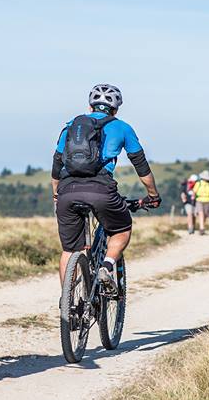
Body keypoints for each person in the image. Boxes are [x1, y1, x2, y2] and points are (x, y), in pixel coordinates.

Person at [52, 84, 161, 294]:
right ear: (115, 110)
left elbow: (56, 166)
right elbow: (141, 167)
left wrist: (57, 195)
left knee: (70, 250)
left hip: (67, 190)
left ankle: (68, 302)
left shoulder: (71, 127)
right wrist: (153, 195)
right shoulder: (122, 128)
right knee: (121, 229)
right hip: (101, 190)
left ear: (90, 106)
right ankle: (107, 265)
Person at [192, 170, 209, 235]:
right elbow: (194, 191)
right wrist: (193, 197)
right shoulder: (198, 183)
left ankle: (202, 226)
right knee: (201, 213)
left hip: (207, 200)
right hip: (199, 200)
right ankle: (202, 228)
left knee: (205, 215)